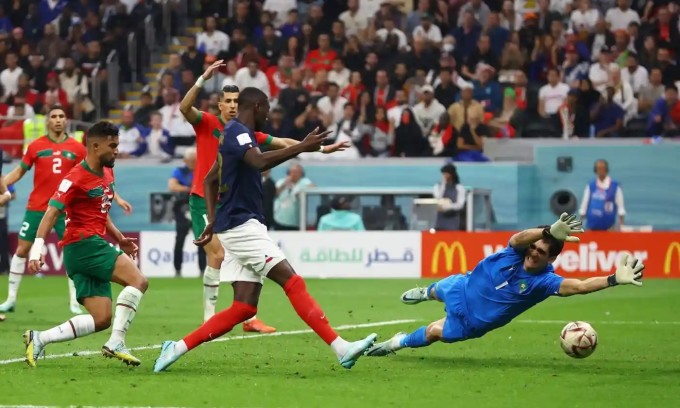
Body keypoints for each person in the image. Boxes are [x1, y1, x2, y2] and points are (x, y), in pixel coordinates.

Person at [153, 87, 376, 372]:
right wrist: (300, 148)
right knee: (292, 282)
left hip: (236, 225)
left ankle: (176, 348)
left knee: (243, 307)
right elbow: (258, 162)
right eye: (267, 110)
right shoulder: (238, 133)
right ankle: (341, 347)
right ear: (257, 106)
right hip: (241, 227)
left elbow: (210, 180)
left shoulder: (234, 134)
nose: (269, 117)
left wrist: (211, 220)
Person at [180, 60, 348, 328]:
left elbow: (283, 143)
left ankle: (249, 318)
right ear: (219, 105)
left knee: (240, 257)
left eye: (236, 101)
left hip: (230, 205)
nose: (232, 105)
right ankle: (208, 318)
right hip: (203, 199)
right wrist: (202, 78)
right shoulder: (207, 122)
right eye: (227, 101)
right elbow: (184, 108)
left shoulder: (247, 133)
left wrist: (320, 149)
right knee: (218, 255)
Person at [365, 213, 645, 356]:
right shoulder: (517, 249)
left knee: (433, 333)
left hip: (473, 321)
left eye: (541, 251)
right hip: (463, 287)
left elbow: (580, 286)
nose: (533, 252)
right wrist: (548, 230)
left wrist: (612, 280)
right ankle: (426, 292)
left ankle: (396, 343)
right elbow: (519, 238)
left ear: (551, 258)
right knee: (439, 290)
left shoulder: (544, 282)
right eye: (534, 247)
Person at [23, 121, 149, 367]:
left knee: (101, 318)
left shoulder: (108, 171)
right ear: (95, 146)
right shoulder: (75, 178)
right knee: (139, 281)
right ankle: (116, 343)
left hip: (86, 247)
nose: (116, 151)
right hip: (83, 245)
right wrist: (36, 250)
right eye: (112, 146)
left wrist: (119, 238)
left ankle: (39, 338)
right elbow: (51, 213)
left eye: (117, 145)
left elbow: (102, 211)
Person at [0, 105, 132, 315]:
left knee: (72, 250)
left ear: (66, 120)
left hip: (67, 210)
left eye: (61, 116)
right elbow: (19, 171)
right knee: (22, 250)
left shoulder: (77, 148)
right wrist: (3, 186)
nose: (58, 119)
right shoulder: (35, 146)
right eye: (54, 116)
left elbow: (95, 175)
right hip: (37, 207)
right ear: (48, 121)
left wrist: (116, 197)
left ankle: (73, 302)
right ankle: (11, 299)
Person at [168, 148, 206, 277]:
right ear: (185, 160)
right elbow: (172, 186)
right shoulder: (179, 171)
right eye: (191, 160)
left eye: (195, 160)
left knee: (201, 239)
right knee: (180, 239)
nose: (194, 163)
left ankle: (202, 270)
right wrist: (190, 189)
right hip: (182, 208)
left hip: (198, 208)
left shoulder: (202, 170)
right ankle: (177, 270)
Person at [579, 159, 626, 231]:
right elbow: (584, 207)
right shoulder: (590, 186)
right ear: (595, 170)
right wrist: (579, 225)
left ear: (606, 170)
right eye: (598, 169)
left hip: (609, 229)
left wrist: (622, 226)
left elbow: (621, 209)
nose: (600, 171)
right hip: (592, 228)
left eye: (602, 168)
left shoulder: (615, 186)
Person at [433, 164, 466, 231]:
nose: (444, 176)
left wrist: (449, 206)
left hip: (453, 220)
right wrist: (443, 185)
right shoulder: (437, 186)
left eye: (446, 174)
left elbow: (460, 204)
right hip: (440, 221)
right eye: (443, 174)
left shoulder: (459, 188)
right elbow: (438, 197)